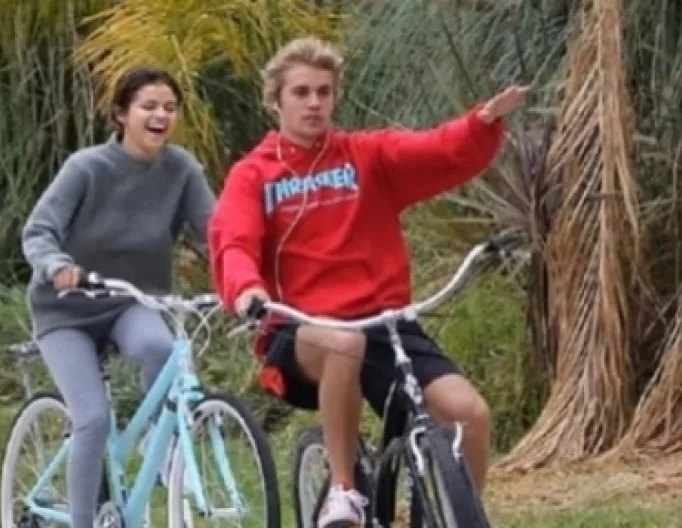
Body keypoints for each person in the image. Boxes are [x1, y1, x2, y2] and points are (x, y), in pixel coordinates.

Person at [207, 37, 528, 527]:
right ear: (275, 100)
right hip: (302, 329)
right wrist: (246, 288)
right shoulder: (254, 175)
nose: (314, 103)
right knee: (344, 343)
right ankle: (344, 491)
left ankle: (457, 516)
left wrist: (480, 123)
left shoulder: (366, 155)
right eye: (301, 92)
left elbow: (434, 151)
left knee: (470, 415)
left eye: (324, 92)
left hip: (383, 323)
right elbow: (233, 240)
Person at [20, 66, 216, 528]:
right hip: (66, 310)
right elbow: (39, 230)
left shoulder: (182, 170)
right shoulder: (86, 168)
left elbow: (217, 234)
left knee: (161, 348)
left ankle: (156, 440)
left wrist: (245, 274)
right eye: (149, 106)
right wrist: (56, 266)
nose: (160, 116)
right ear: (121, 114)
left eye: (170, 108)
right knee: (92, 419)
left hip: (129, 302)